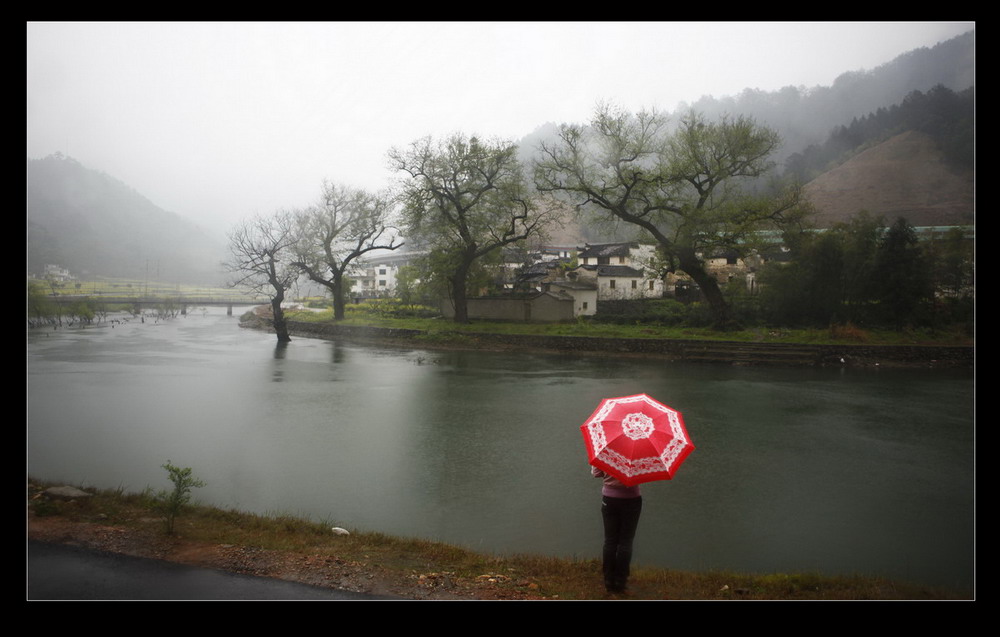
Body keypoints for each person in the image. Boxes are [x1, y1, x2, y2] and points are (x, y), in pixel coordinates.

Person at [592, 465, 642, 594]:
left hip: (609, 500)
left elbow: (596, 473)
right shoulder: (639, 451)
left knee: (610, 541)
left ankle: (608, 581)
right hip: (632, 500)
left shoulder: (604, 450)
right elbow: (644, 474)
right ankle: (621, 582)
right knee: (625, 542)